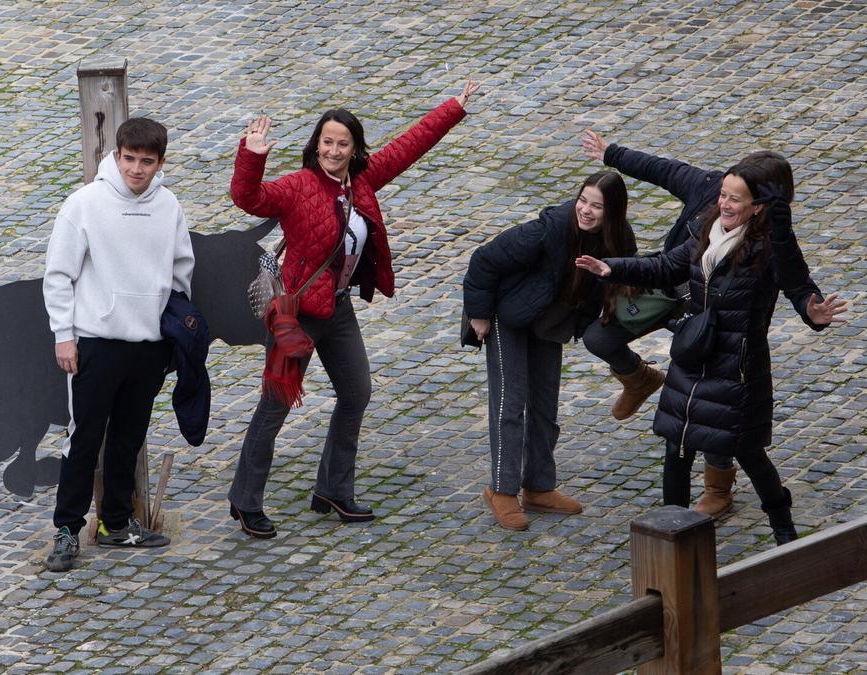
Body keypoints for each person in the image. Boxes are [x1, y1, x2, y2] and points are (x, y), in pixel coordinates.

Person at [225, 80, 481, 538]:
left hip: (338, 312)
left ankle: (333, 489)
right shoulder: (298, 186)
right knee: (274, 407)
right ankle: (245, 501)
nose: (334, 151)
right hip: (297, 317)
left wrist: (454, 107)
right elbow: (249, 199)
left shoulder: (362, 181)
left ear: (354, 148)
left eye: (342, 144)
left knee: (356, 392)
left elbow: (409, 146)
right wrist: (253, 154)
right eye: (327, 142)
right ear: (316, 144)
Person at [576, 160, 846, 545]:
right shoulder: (709, 228)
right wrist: (612, 268)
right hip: (693, 355)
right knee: (677, 445)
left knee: (749, 452)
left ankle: (784, 531)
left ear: (759, 205)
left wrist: (812, 312)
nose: (725, 205)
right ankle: (675, 536)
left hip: (736, 367)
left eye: (735, 199)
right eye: (723, 195)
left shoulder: (770, 245)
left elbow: (798, 286)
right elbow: (668, 265)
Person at [42, 117, 195, 571]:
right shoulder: (84, 204)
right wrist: (64, 336)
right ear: (116, 155)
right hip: (94, 343)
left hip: (147, 345)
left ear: (160, 162)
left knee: (129, 437)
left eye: (146, 162)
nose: (136, 169)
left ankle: (116, 524)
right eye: (129, 159)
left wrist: (173, 333)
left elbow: (180, 271)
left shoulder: (169, 207)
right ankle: (68, 529)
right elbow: (59, 275)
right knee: (83, 439)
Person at [462, 172, 637, 531]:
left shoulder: (618, 241)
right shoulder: (545, 230)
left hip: (548, 323)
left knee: (545, 404)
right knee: (510, 403)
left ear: (613, 212)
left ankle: (539, 487)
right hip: (505, 316)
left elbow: (626, 278)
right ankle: (502, 490)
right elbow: (484, 261)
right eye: (583, 200)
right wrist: (478, 315)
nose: (586, 211)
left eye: (597, 206)